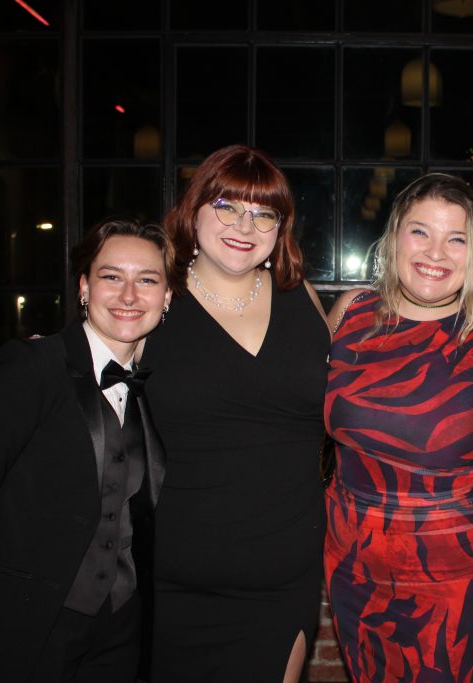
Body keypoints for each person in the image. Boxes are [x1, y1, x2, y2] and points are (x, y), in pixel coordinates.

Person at [0, 218, 178, 682]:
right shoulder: (31, 367)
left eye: (147, 280)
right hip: (23, 628)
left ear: (167, 297)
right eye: (111, 276)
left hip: (119, 632)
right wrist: (25, 575)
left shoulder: (156, 389)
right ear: (84, 287)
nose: (128, 295)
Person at [324, 173, 473, 683]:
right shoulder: (351, 313)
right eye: (420, 232)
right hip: (352, 558)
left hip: (453, 567)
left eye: (456, 239)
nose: (436, 252)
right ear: (394, 237)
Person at [141, 145, 330, 682]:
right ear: (194, 209)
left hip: (284, 577)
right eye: (226, 206)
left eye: (263, 213)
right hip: (173, 580)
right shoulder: (155, 299)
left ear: (280, 227)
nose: (245, 226)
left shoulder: (302, 297)